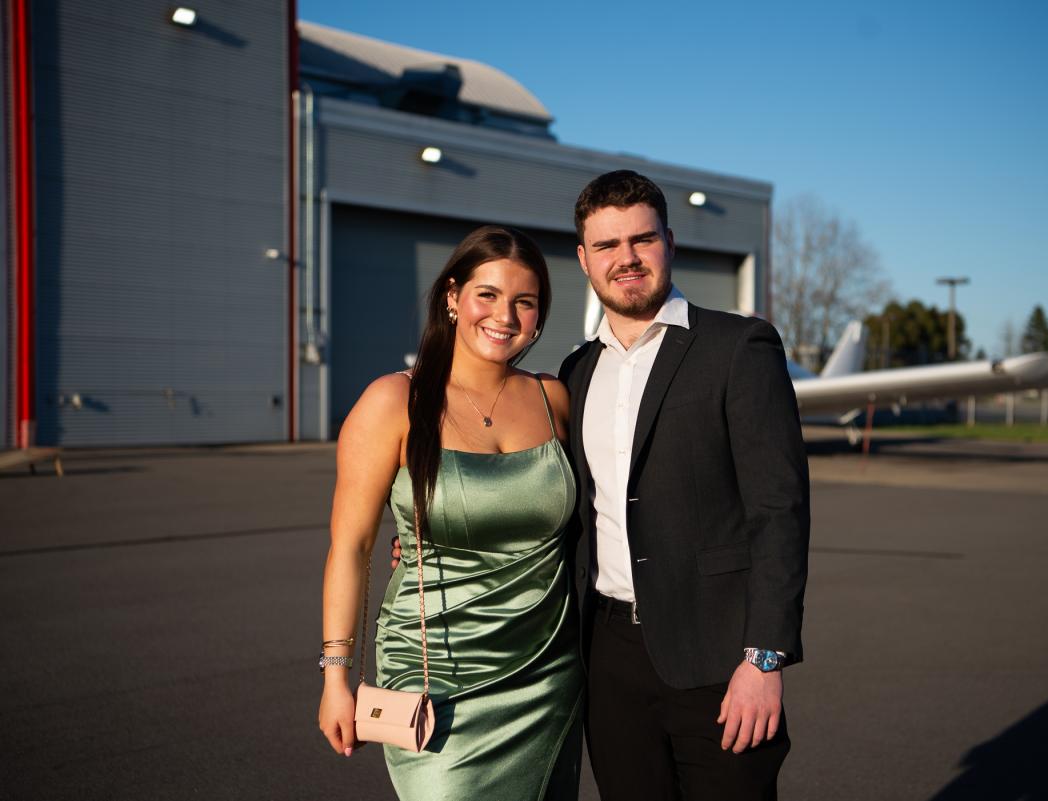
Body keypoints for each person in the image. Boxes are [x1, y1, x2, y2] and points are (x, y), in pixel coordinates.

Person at [559, 170, 810, 801]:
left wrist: (764, 658)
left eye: (641, 239)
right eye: (608, 245)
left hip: (718, 657)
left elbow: (778, 511)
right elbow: (562, 509)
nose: (626, 258)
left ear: (669, 242)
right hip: (609, 657)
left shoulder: (737, 346)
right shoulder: (576, 372)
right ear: (584, 259)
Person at [318, 226, 584, 801]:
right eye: (487, 294)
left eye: (524, 301)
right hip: (434, 672)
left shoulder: (553, 398)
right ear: (452, 297)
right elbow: (351, 548)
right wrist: (336, 676)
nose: (505, 316)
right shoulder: (393, 401)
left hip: (549, 672)